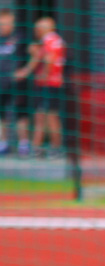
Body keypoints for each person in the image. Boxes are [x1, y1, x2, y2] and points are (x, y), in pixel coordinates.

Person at [15, 17, 65, 158]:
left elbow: (48, 59)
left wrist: (43, 74)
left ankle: (53, 148)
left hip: (49, 85)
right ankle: (38, 147)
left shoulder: (49, 40)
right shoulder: (55, 40)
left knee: (49, 117)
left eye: (38, 28)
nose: (36, 31)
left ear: (46, 28)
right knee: (42, 116)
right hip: (51, 84)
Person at [0, 9, 31, 156]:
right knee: (2, 115)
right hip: (1, 83)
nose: (4, 26)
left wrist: (26, 70)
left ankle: (24, 145)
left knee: (20, 114)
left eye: (7, 23)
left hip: (17, 83)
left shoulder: (20, 37)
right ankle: (3, 144)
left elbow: (37, 52)